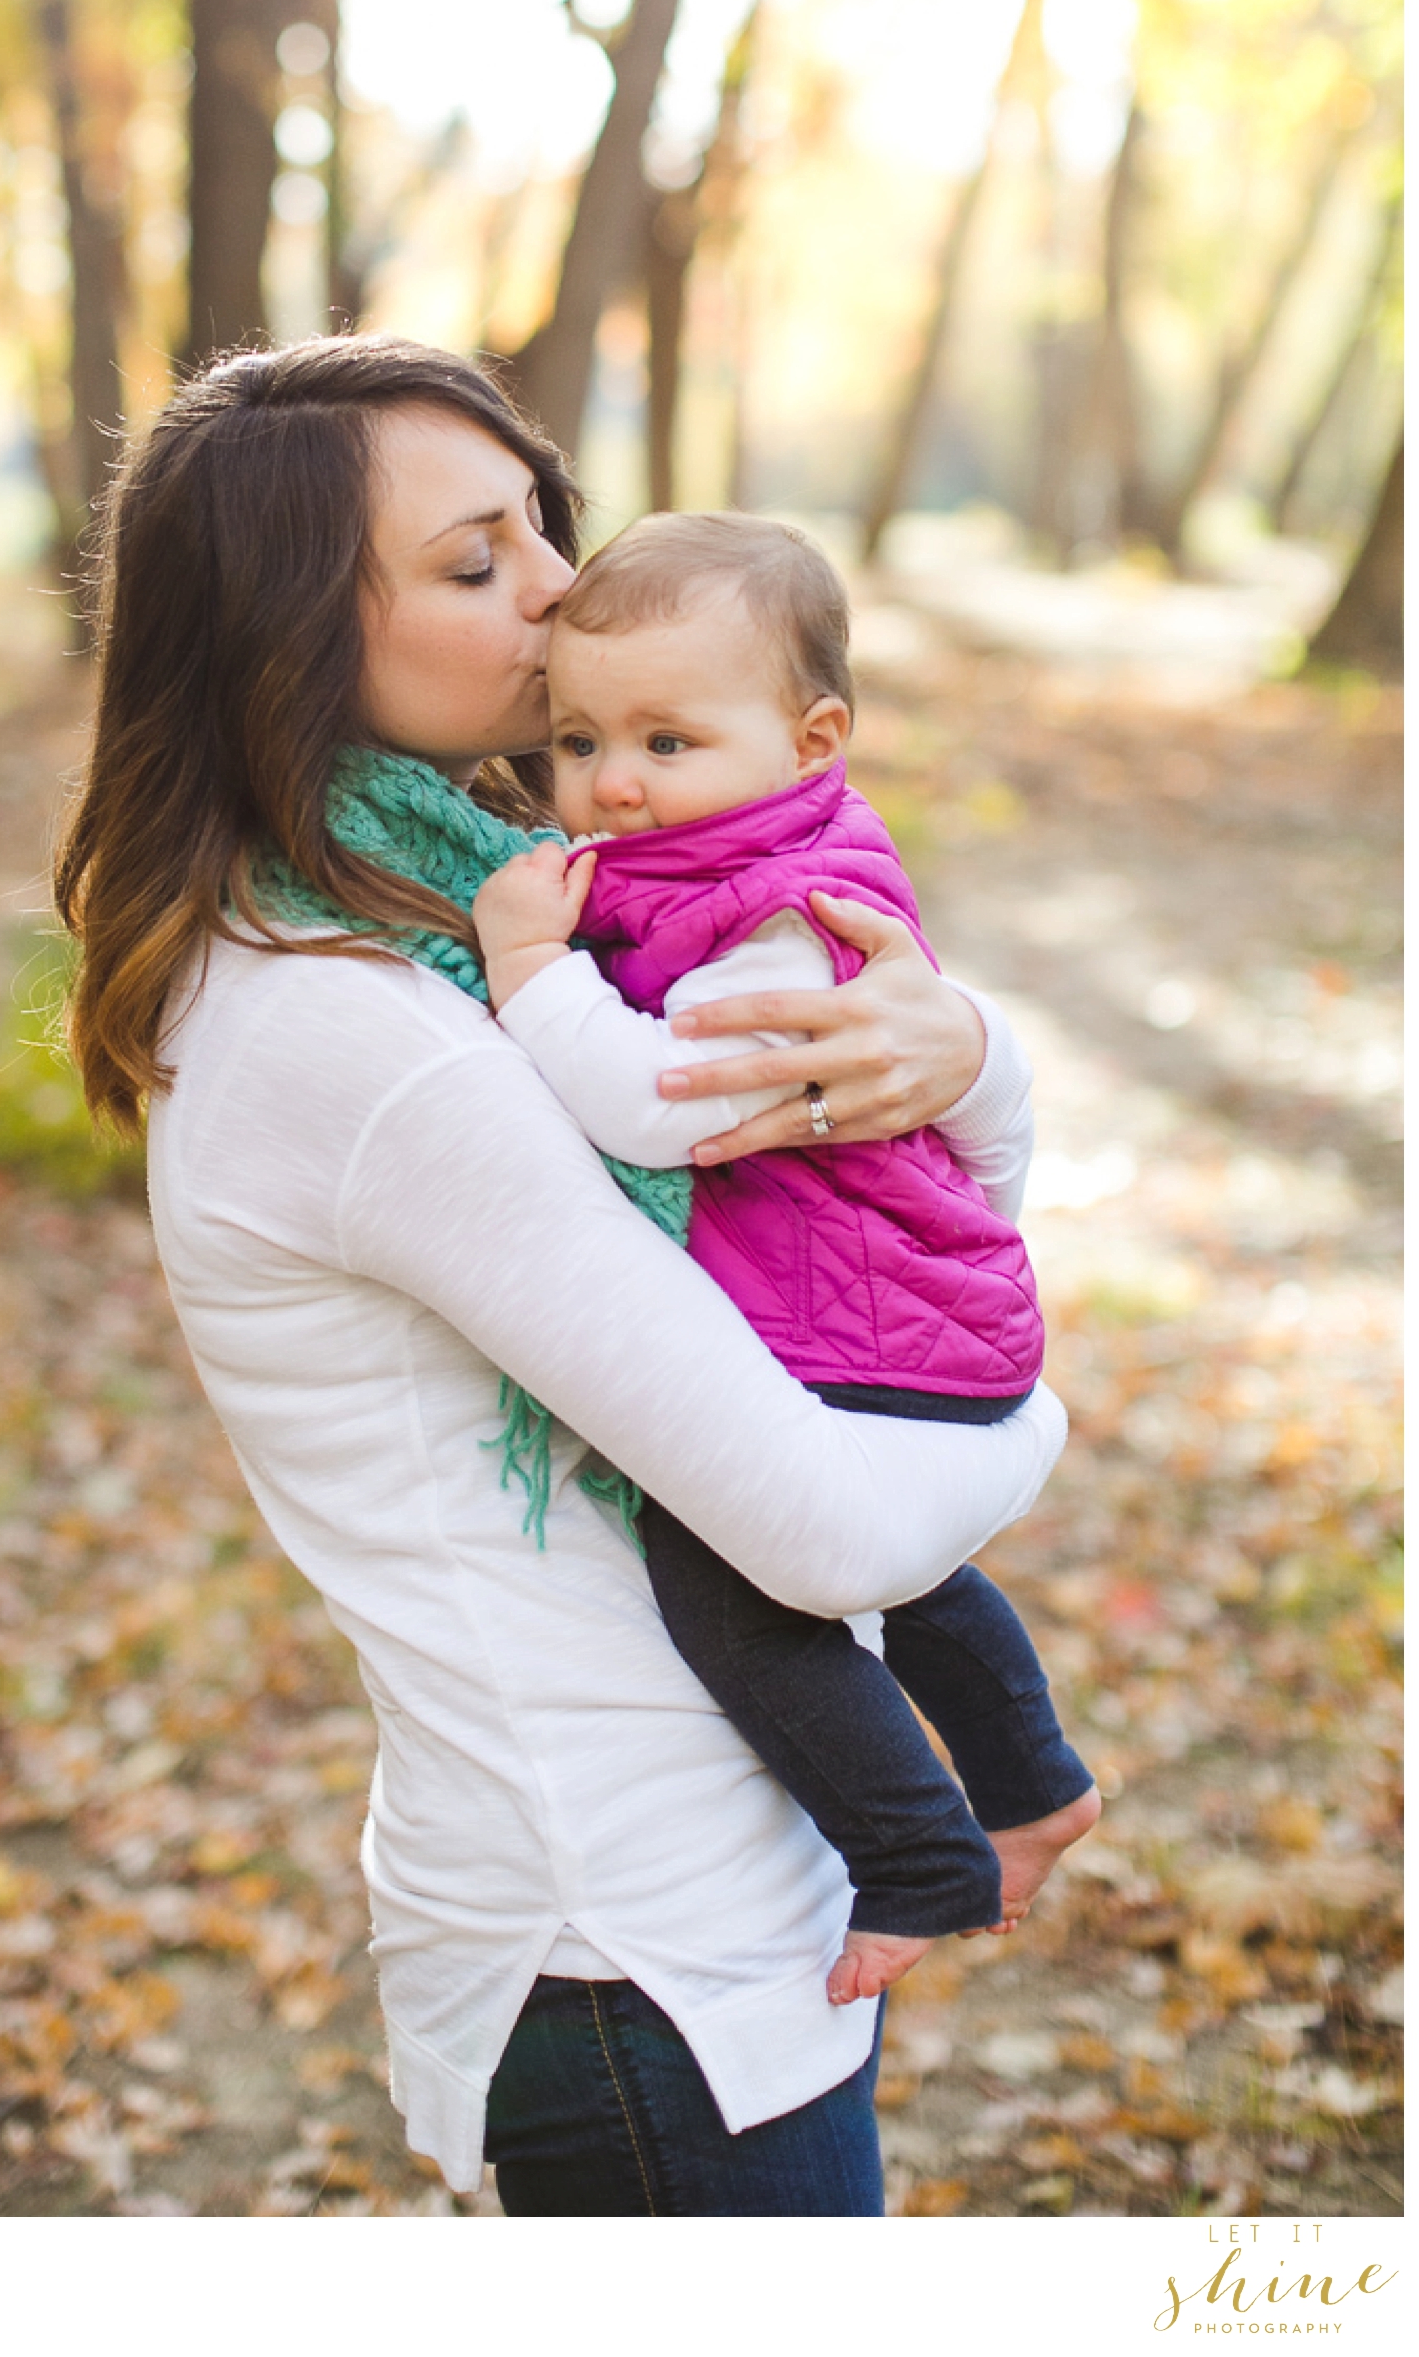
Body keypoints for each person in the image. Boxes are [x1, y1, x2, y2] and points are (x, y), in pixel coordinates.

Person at [54, 336, 1069, 2217]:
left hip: (695, 1890)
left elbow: (882, 1157)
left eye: (539, 525)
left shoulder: (487, 914)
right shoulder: (373, 1032)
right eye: (469, 563)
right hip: (633, 1940)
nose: (554, 592)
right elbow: (835, 1534)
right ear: (291, 640)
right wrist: (1039, 1418)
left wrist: (969, 1050)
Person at [470, 510, 1099, 2010]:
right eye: (577, 737)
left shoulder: (784, 915)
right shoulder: (695, 859)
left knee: (737, 1583)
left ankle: (915, 1854)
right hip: (886, 1309)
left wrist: (527, 975)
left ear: (813, 738)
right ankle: (1035, 1781)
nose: (611, 779)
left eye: (668, 739)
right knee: (909, 1567)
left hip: (875, 1317)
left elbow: (656, 1105)